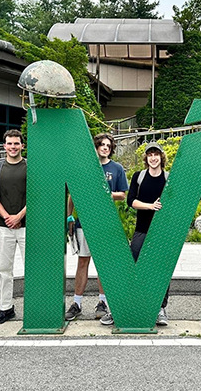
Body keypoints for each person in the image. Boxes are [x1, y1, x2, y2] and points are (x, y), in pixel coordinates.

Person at [65, 133, 128, 326]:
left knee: (103, 264)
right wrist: (70, 217)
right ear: (96, 147)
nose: (105, 148)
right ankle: (76, 303)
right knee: (83, 262)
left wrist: (107, 195)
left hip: (105, 223)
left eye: (108, 146)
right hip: (84, 222)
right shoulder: (85, 169)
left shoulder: (116, 169)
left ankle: (103, 303)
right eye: (102, 145)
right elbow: (72, 196)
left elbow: (123, 195)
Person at [127, 141, 170, 326]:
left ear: (161, 157)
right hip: (141, 230)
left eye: (156, 154)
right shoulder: (139, 176)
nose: (153, 157)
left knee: (162, 269)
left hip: (161, 232)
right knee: (134, 266)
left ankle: (160, 308)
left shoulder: (168, 177)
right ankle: (136, 305)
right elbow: (131, 201)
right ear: (146, 158)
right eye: (150, 154)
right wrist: (150, 206)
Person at [0, 129, 27, 325]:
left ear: (22, 145)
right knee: (4, 270)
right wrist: (8, 218)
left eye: (16, 143)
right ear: (4, 146)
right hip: (4, 227)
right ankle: (6, 308)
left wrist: (19, 216)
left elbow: (35, 195)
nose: (13, 147)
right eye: (9, 144)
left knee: (32, 269)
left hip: (28, 226)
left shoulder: (30, 166)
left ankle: (33, 309)